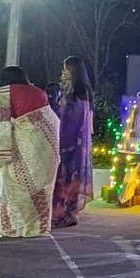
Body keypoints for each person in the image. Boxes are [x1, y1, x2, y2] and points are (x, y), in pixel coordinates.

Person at [0, 66, 61, 237]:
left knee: (15, 185)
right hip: (45, 147)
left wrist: (0, 154)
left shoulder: (3, 93)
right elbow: (49, 119)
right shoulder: (39, 92)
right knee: (39, 187)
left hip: (22, 146)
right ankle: (36, 228)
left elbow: (2, 126)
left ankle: (15, 228)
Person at [53, 57, 95, 228]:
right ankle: (61, 212)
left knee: (70, 177)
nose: (63, 72)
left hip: (73, 142)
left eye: (66, 68)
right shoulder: (74, 89)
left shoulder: (81, 91)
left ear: (74, 70)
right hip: (68, 140)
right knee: (65, 176)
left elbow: (75, 117)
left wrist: (63, 104)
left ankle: (67, 213)